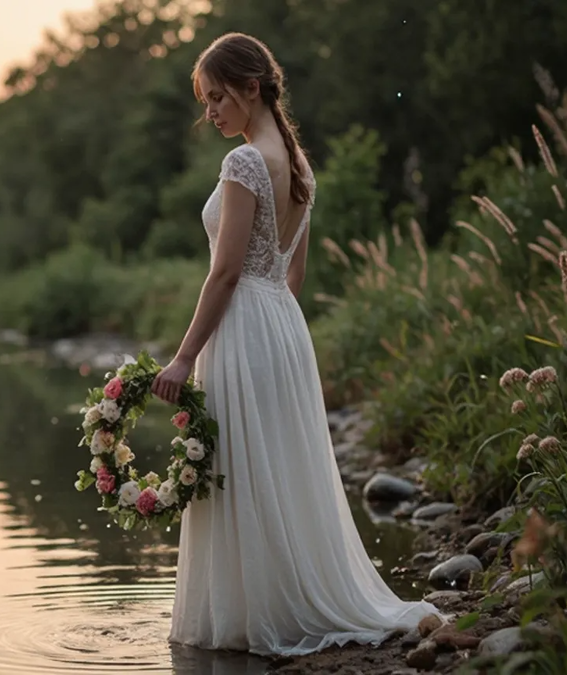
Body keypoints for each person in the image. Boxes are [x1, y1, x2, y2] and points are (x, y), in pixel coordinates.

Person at [149, 32, 442, 656]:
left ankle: (255, 616)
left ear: (251, 87)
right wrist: (267, 319)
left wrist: (183, 356)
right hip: (282, 324)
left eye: (217, 97)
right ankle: (279, 595)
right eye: (205, 101)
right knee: (272, 466)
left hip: (245, 323)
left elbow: (225, 272)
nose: (210, 113)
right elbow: (293, 276)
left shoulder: (244, 163)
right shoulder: (301, 163)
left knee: (241, 470)